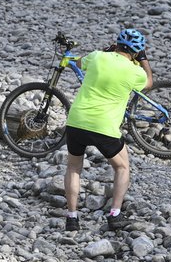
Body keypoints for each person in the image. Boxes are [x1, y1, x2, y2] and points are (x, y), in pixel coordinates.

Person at [63, 28, 153, 232]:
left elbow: (78, 63)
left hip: (76, 121)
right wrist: (144, 60)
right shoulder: (135, 71)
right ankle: (115, 215)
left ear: (117, 44)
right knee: (121, 167)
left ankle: (72, 218)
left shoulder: (97, 57)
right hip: (104, 127)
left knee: (73, 168)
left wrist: (105, 52)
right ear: (136, 52)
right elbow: (149, 83)